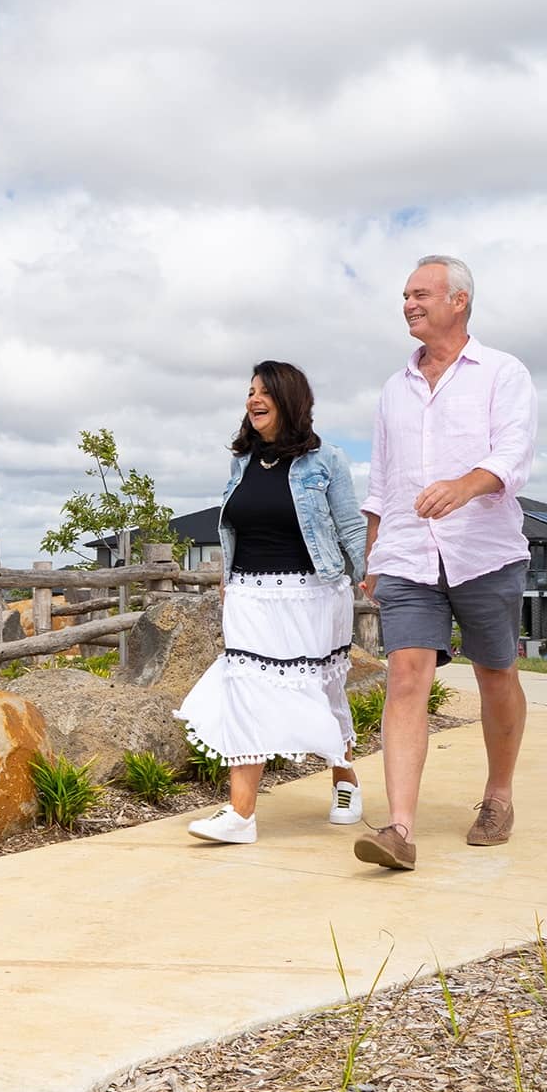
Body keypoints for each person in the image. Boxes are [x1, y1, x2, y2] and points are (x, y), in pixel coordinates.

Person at [354, 255, 537, 872]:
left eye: (421, 294)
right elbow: (381, 481)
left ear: (459, 301)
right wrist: (374, 552)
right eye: (405, 296)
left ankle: (498, 795)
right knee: (406, 676)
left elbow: (514, 454)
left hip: (484, 554)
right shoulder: (393, 388)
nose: (409, 304)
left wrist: (465, 486)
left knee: (495, 674)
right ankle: (399, 829)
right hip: (407, 553)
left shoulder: (503, 373)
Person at [180, 360, 367, 845]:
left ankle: (345, 779)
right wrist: (228, 581)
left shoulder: (327, 460)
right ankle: (241, 815)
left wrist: (368, 575)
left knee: (322, 689)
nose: (253, 400)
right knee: (246, 691)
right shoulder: (242, 462)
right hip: (248, 595)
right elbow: (234, 529)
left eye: (264, 392)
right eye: (250, 392)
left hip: (313, 594)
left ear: (290, 400)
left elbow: (350, 525)